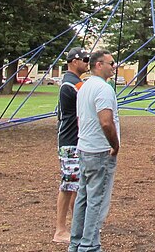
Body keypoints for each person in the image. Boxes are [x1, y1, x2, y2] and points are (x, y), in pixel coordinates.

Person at [68, 51, 120, 252]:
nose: (114, 67)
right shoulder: (103, 89)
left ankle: (76, 243)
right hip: (99, 152)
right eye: (111, 63)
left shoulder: (85, 86)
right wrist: (115, 145)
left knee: (83, 198)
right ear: (99, 65)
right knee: (96, 201)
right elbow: (106, 122)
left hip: (85, 149)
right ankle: (89, 246)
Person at [53, 48, 90, 244]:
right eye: (84, 59)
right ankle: (60, 230)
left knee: (76, 186)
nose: (87, 62)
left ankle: (78, 227)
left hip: (76, 141)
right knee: (68, 185)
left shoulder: (74, 83)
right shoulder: (72, 84)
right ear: (74, 61)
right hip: (70, 143)